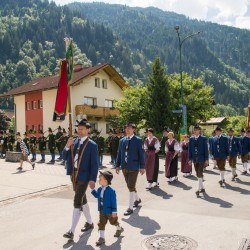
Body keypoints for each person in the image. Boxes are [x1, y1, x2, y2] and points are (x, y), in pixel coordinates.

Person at [63, 119, 99, 241]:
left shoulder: (92, 145)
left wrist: (93, 179)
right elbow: (64, 156)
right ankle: (89, 223)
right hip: (74, 176)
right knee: (83, 200)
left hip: (84, 177)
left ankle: (71, 231)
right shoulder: (74, 141)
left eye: (82, 129)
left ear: (88, 130)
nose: (80, 131)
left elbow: (95, 164)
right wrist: (67, 146)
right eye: (78, 129)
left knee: (77, 201)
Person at [116, 122, 145, 216]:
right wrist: (117, 165)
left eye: (129, 128)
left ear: (134, 130)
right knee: (130, 186)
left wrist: (142, 167)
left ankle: (130, 207)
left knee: (131, 186)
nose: (127, 130)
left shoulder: (138, 140)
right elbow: (119, 154)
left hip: (134, 166)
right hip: (124, 166)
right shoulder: (122, 140)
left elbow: (141, 154)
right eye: (126, 128)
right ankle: (137, 199)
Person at [91, 170, 124, 246]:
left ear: (105, 181)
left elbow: (114, 202)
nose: (98, 180)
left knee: (113, 222)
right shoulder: (99, 189)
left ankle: (119, 228)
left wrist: (114, 211)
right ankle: (101, 238)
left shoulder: (111, 191)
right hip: (102, 210)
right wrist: (93, 190)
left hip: (109, 210)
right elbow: (97, 196)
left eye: (100, 179)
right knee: (101, 223)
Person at [188, 125, 208, 197]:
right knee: (197, 173)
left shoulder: (203, 138)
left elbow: (206, 149)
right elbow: (189, 150)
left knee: (200, 172)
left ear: (199, 131)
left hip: (201, 158)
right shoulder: (191, 139)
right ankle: (202, 187)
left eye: (197, 130)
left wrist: (206, 159)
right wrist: (189, 159)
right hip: (194, 158)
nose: (195, 131)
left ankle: (198, 189)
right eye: (194, 130)